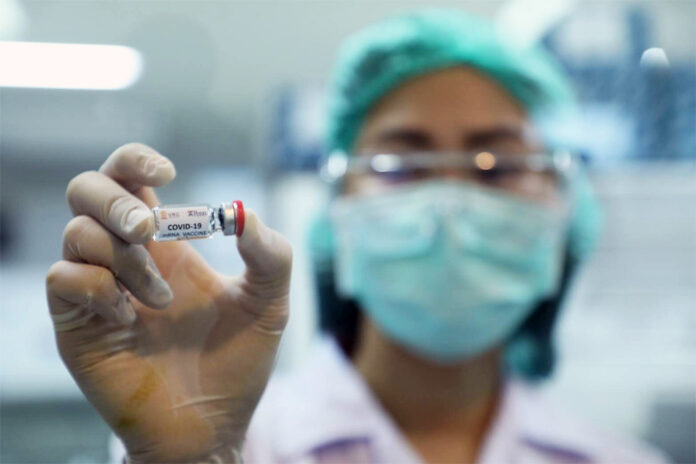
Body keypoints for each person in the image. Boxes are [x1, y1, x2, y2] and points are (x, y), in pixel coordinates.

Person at [46, 9, 666, 464]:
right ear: (337, 212)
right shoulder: (242, 441)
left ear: (563, 211)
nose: (451, 201)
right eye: (399, 165)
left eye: (498, 165)